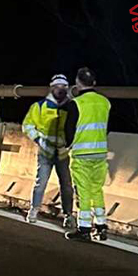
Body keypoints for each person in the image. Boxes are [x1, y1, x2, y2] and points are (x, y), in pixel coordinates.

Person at [62, 67, 111, 241]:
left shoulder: (76, 104)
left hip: (82, 154)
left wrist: (67, 146)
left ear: (77, 83)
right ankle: (101, 225)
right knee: (97, 189)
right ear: (94, 83)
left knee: (83, 192)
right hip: (100, 152)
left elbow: (69, 130)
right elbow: (107, 127)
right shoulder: (105, 102)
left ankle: (84, 229)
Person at [22, 74, 74, 227]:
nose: (61, 89)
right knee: (41, 182)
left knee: (66, 185)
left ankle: (68, 215)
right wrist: (39, 140)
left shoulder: (71, 107)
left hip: (63, 153)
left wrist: (69, 145)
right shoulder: (40, 106)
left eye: (64, 87)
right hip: (46, 152)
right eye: (58, 86)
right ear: (52, 87)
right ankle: (34, 209)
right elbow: (28, 125)